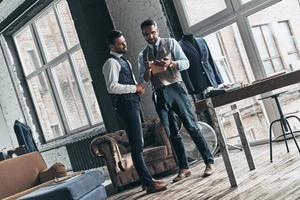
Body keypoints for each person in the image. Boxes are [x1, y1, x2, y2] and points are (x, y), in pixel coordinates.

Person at [138, 19, 215, 182]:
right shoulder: (143, 54)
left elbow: (185, 63)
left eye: (152, 33)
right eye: (146, 35)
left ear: (157, 30)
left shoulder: (170, 43)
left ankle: (209, 161)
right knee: (172, 133)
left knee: (191, 126)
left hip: (176, 89)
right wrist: (147, 69)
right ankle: (184, 168)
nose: (150, 37)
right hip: (159, 94)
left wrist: (171, 63)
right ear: (143, 35)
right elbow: (143, 80)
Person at [102, 30, 167, 193]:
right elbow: (112, 87)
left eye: (124, 41)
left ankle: (147, 181)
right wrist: (134, 88)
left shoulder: (124, 61)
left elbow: (126, 83)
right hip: (126, 107)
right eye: (120, 43)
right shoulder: (111, 63)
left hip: (133, 104)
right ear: (112, 46)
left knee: (139, 144)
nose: (124, 44)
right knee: (137, 146)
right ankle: (149, 183)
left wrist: (137, 89)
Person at [179, 34, 223, 100]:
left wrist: (219, 79)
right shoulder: (180, 46)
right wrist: (190, 88)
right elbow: (184, 70)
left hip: (211, 80)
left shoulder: (202, 41)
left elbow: (210, 60)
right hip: (197, 84)